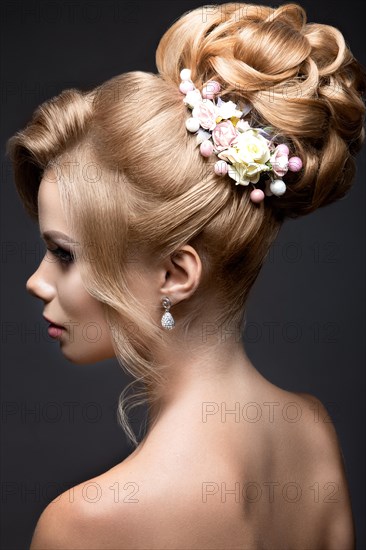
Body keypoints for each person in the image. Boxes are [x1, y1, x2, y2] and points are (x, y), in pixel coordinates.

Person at [6, 2, 365, 548]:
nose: (37, 281)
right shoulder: (312, 433)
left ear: (176, 273)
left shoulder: (86, 526)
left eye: (65, 254)